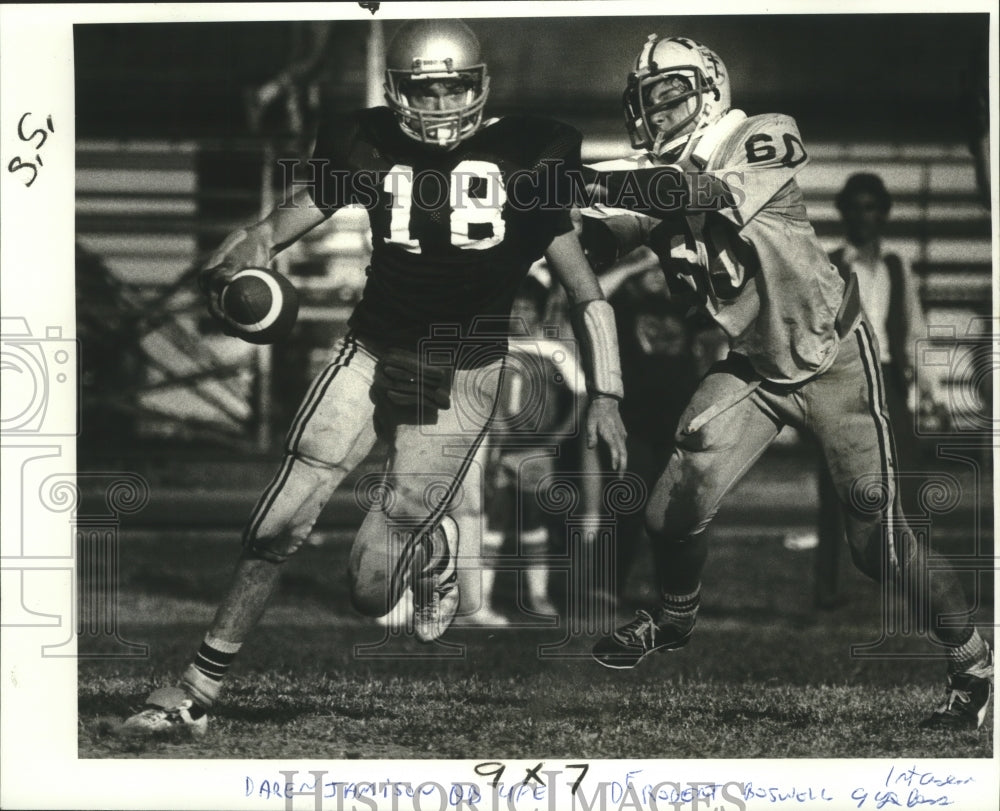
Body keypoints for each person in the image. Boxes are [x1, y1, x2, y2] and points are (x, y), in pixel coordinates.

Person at [123, 18, 627, 737]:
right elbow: (273, 226)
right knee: (275, 523)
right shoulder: (363, 144)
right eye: (425, 89)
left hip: (464, 372)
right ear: (397, 92)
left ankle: (434, 545)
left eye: (455, 85)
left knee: (366, 589)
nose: (442, 104)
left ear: (480, 86)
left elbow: (586, 292)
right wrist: (235, 259)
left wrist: (607, 392)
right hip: (373, 351)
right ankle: (195, 692)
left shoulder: (531, 155)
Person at [582, 34, 992, 730]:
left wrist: (591, 178)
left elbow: (701, 192)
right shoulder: (652, 176)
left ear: (710, 89)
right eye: (645, 100)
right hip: (755, 365)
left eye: (669, 94)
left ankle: (976, 665)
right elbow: (604, 237)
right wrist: (532, 212)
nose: (656, 112)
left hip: (833, 353)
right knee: (668, 509)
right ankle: (674, 619)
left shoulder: (760, 134)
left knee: (878, 548)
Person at [805, 173, 938, 609]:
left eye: (872, 207)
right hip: (844, 382)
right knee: (837, 486)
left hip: (890, 382)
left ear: (882, 213)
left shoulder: (898, 266)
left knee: (906, 482)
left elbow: (914, 329)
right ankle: (827, 588)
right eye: (856, 207)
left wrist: (929, 386)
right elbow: (815, 332)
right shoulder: (830, 265)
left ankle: (911, 584)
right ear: (844, 212)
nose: (864, 216)